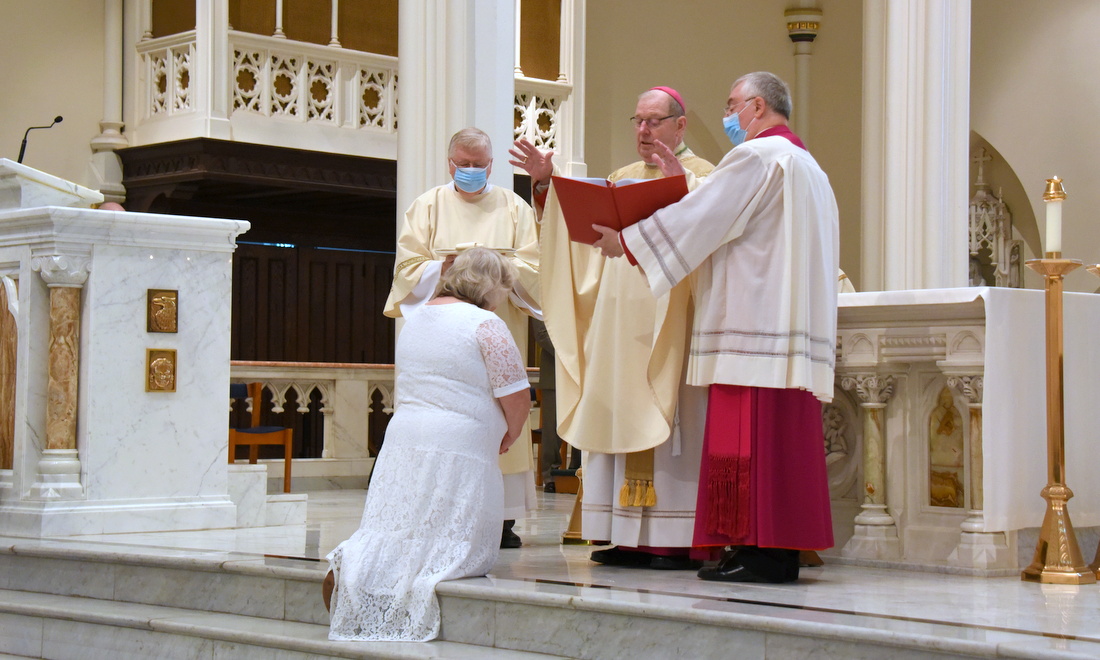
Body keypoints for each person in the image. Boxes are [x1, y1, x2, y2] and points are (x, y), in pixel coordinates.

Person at [592, 72, 839, 583]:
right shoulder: (807, 165)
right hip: (788, 326)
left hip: (750, 325)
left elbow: (707, 215)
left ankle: (756, 551)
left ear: (755, 106)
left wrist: (631, 243)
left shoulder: (756, 157)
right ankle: (778, 549)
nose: (728, 116)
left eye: (731, 105)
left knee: (748, 441)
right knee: (783, 446)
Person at [510, 87, 713, 570]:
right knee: (615, 414)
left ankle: (672, 539)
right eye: (638, 121)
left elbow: (712, 238)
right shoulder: (621, 179)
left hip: (669, 319)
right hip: (618, 321)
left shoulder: (705, 177)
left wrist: (680, 187)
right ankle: (621, 534)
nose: (644, 131)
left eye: (655, 122)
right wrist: (547, 186)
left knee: (671, 424)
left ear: (680, 125)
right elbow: (582, 241)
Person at [326, 248, 530, 641]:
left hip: (405, 436)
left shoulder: (416, 319)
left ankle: (358, 566)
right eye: (504, 288)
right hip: (460, 442)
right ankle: (404, 579)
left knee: (400, 524)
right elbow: (516, 395)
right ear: (491, 286)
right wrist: (512, 432)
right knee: (454, 548)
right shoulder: (485, 323)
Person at [384, 127, 540, 548]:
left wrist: (493, 267)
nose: (471, 171)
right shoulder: (428, 206)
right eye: (463, 164)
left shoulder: (513, 207)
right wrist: (446, 266)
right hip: (446, 333)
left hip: (498, 321)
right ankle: (440, 508)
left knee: (498, 402)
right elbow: (406, 270)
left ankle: (502, 519)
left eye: (479, 165)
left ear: (492, 165)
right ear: (449, 163)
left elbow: (535, 269)